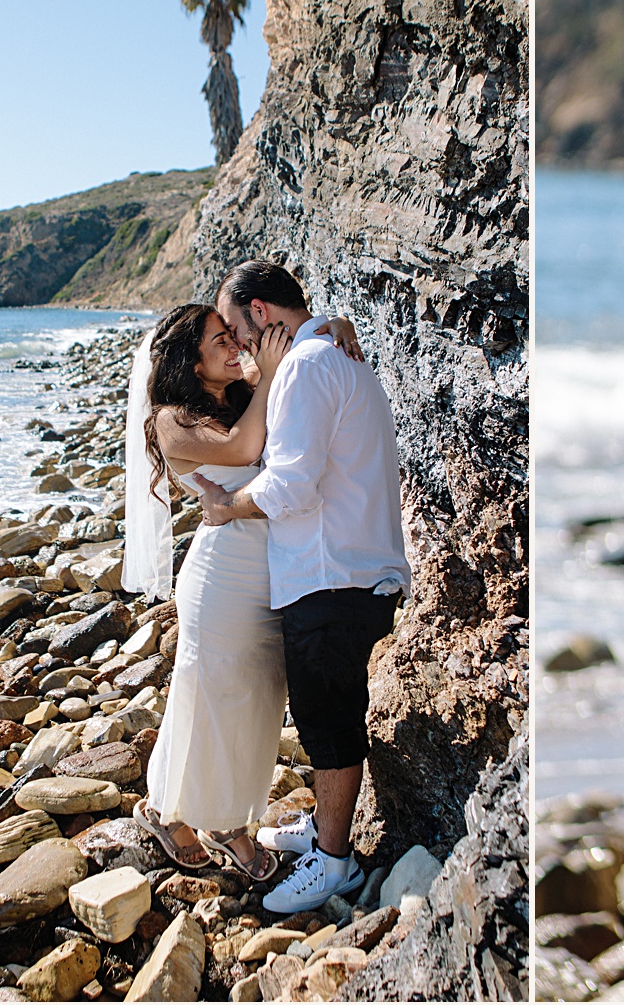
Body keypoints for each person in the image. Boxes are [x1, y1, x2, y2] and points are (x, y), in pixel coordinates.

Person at [192, 258, 411, 915]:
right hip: (350, 566)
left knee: (329, 725)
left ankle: (336, 861)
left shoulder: (311, 367)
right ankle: (324, 829)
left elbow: (291, 486)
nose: (235, 344)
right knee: (327, 715)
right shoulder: (328, 357)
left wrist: (227, 508)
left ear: (261, 313)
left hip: (330, 574)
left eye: (235, 327)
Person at [124, 302, 362, 881]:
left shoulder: (238, 392)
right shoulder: (170, 419)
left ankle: (189, 810)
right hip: (222, 577)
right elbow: (243, 450)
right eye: (218, 341)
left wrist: (332, 329)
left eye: (234, 336)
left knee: (257, 701)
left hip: (273, 568)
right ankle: (214, 823)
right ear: (190, 360)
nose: (235, 347)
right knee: (216, 699)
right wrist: (272, 374)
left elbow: (295, 357)